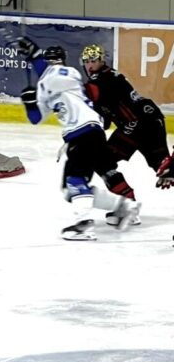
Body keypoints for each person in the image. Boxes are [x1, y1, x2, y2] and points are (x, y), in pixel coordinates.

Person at [17, 38, 141, 240]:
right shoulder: (46, 86)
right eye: (50, 60)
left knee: (76, 181)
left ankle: (83, 225)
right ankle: (125, 206)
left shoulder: (67, 74)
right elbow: (36, 118)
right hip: (88, 134)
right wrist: (30, 103)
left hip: (85, 132)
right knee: (70, 189)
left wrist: (35, 55)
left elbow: (53, 74)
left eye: (56, 60)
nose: (53, 63)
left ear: (62, 61)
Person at [81, 43, 174, 215]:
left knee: (102, 162)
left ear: (102, 61)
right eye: (86, 61)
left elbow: (90, 95)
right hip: (153, 120)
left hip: (137, 124)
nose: (90, 65)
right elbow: (107, 120)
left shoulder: (99, 81)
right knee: (165, 170)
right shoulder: (110, 75)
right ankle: (129, 204)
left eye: (93, 60)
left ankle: (128, 204)